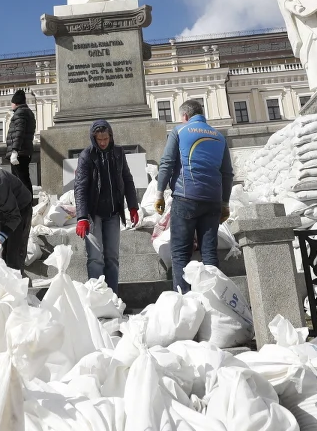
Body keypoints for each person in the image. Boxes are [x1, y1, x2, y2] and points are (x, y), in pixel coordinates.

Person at [155, 100, 234, 294]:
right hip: (213, 201)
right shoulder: (218, 136)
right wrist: (224, 203)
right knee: (209, 254)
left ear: (185, 116)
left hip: (186, 198)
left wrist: (159, 194)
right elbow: (227, 173)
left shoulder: (180, 131)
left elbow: (166, 163)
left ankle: (185, 305)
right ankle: (214, 301)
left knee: (181, 254)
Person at [74, 119, 139, 293]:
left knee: (112, 257)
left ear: (110, 136)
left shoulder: (118, 152)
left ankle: (112, 297)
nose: (102, 143)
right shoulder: (86, 156)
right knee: (95, 258)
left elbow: (127, 179)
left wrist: (133, 206)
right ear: (93, 138)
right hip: (94, 214)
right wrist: (81, 217)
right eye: (99, 140)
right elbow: (80, 187)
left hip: (113, 212)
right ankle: (96, 298)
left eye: (105, 139)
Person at [5, 89, 36, 193]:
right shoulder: (28, 113)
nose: (11, 105)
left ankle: (26, 205)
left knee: (20, 180)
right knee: (23, 179)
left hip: (19, 152)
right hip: (24, 151)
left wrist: (14, 150)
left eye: (12, 103)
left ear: (16, 103)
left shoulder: (20, 113)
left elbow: (19, 133)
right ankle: (27, 204)